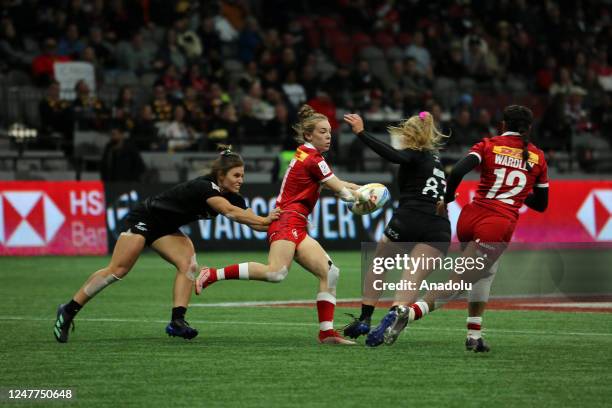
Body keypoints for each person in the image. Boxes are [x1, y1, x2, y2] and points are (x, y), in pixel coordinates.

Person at [54, 146, 280, 343]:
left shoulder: (234, 197)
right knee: (119, 269)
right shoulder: (205, 187)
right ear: (221, 175)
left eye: (243, 175)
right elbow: (230, 213)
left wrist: (281, 222)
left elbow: (256, 224)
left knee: (188, 264)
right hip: (146, 218)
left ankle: (177, 322)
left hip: (166, 228)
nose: (241, 180)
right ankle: (69, 309)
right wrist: (265, 220)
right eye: (236, 175)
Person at [195, 105, 374, 345]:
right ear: (309, 135)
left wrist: (364, 189)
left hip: (296, 223)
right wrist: (365, 198)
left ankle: (326, 333)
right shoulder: (312, 158)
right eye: (322, 132)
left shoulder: (307, 155)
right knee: (276, 273)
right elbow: (342, 192)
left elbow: (337, 182)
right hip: (287, 220)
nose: (328, 136)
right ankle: (212, 274)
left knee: (330, 272)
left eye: (330, 132)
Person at [388, 105, 549, 352]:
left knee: (484, 273)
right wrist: (517, 192)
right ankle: (408, 315)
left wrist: (448, 198)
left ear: (503, 125)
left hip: (470, 217)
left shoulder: (488, 145)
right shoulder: (537, 157)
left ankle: (474, 335)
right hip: (497, 224)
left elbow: (458, 171)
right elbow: (541, 204)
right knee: (459, 281)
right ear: (529, 129)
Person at [342, 111, 451, 347]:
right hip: (440, 227)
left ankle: (365, 318)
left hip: (410, 217)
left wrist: (362, 133)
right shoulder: (437, 163)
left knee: (380, 263)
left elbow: (392, 155)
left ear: (409, 134)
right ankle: (395, 313)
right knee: (412, 277)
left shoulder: (416, 155)